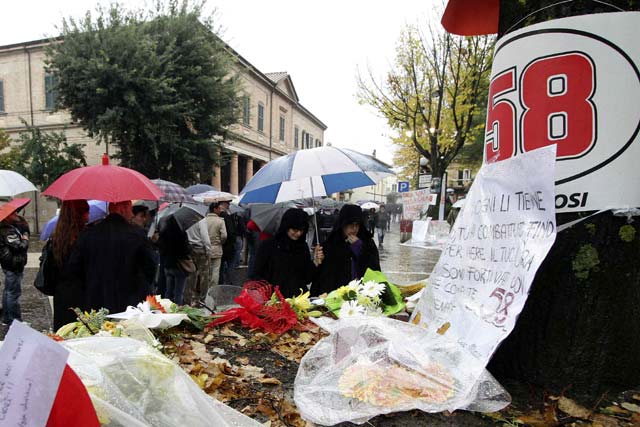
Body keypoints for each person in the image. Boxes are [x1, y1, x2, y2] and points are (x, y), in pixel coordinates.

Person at [68, 200, 157, 314]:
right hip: (131, 303)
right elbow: (151, 266)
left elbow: (75, 268)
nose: (131, 214)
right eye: (129, 210)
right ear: (123, 210)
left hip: (96, 301)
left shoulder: (88, 235)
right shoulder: (137, 235)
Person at [252, 208, 324, 298]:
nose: (298, 234)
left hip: (299, 299)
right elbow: (257, 274)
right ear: (286, 226)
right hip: (275, 299)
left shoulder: (302, 247)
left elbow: (307, 278)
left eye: (301, 230)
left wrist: (315, 262)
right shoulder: (268, 245)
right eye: (295, 230)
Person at [311, 204, 380, 296]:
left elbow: (375, 269)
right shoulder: (331, 243)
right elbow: (323, 275)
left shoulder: (367, 243)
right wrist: (317, 260)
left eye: (357, 225)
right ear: (343, 225)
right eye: (351, 225)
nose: (354, 229)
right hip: (336, 295)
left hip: (361, 294)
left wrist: (360, 249)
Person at [47, 200, 90, 330]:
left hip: (61, 293)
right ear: (80, 214)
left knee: (63, 332)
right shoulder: (85, 237)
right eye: (87, 212)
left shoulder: (57, 236)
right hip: (82, 293)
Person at [0, 203, 30, 326]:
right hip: (13, 263)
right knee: (13, 293)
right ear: (7, 216)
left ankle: (7, 319)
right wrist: (25, 240)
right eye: (13, 213)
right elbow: (18, 247)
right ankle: (15, 321)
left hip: (9, 263)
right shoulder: (7, 230)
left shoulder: (10, 227)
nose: (16, 215)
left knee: (8, 291)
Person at [157, 215, 192, 305]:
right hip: (179, 266)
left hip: (168, 264)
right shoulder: (181, 233)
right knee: (178, 293)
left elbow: (161, 247)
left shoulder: (164, 233)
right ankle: (177, 311)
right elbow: (185, 250)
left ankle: (167, 309)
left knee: (168, 292)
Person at [184, 217, 212, 305]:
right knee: (204, 275)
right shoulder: (201, 219)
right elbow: (205, 236)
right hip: (200, 249)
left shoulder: (186, 219)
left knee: (191, 274)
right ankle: (202, 299)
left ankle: (189, 298)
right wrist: (208, 250)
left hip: (189, 248)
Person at [205, 202, 227, 295]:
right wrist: (220, 242)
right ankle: (213, 290)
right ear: (215, 209)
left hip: (206, 247)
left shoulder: (204, 220)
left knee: (207, 270)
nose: (220, 210)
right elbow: (224, 235)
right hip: (217, 247)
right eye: (218, 208)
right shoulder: (220, 221)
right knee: (215, 270)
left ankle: (206, 290)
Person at [218, 199, 236, 285]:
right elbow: (230, 232)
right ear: (223, 204)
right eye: (227, 203)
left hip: (220, 245)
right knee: (230, 265)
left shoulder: (217, 216)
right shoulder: (226, 216)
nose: (229, 204)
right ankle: (229, 282)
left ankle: (221, 281)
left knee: (220, 266)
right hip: (227, 245)